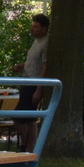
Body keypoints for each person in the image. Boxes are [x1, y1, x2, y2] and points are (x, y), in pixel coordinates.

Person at [17, 13, 50, 150]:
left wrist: (39, 89)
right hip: (26, 82)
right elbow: (35, 62)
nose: (32, 29)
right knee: (27, 119)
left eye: (36, 27)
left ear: (44, 28)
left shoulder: (46, 43)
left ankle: (28, 146)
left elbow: (45, 67)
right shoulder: (36, 41)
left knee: (22, 117)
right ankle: (27, 146)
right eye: (32, 26)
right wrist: (23, 66)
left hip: (34, 84)